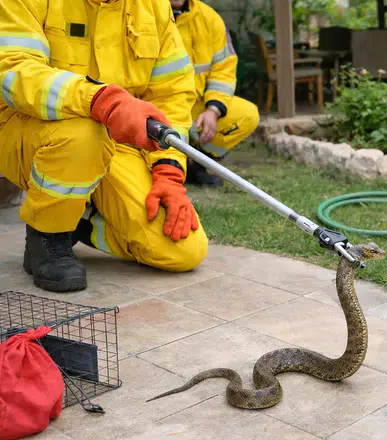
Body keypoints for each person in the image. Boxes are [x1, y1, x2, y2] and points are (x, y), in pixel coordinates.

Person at [0, 0, 208, 293]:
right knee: (83, 134)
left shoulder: (153, 6)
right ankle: (48, 234)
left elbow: (172, 95)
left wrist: (168, 169)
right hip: (28, 128)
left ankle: (81, 220)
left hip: (115, 141)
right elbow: (14, 73)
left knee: (183, 250)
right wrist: (97, 99)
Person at [169, 0, 261, 187]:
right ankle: (171, 165)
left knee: (247, 115)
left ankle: (196, 164)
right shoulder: (143, 13)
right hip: (158, 107)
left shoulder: (209, 18)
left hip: (196, 107)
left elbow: (224, 69)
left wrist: (213, 110)